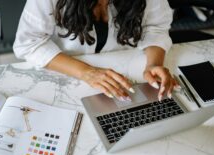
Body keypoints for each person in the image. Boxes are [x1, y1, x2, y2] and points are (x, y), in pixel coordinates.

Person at [13, 0, 179, 101]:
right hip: (66, 77)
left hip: (124, 68)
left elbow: (155, 27)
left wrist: (153, 63)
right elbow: (29, 43)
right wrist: (86, 72)